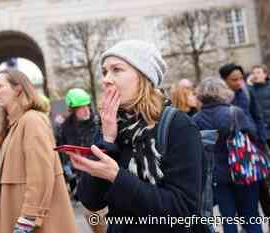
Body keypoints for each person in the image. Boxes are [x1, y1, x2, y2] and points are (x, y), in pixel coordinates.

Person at [70, 40, 203, 233]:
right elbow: (90, 200)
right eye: (104, 71)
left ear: (143, 76)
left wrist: (116, 176)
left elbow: (183, 210)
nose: (106, 79)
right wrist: (106, 140)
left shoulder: (178, 125)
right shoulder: (110, 125)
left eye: (116, 70)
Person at [0, 69, 77, 233]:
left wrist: (28, 218)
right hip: (17, 212)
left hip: (33, 221)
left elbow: (40, 173)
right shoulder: (13, 125)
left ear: (17, 89)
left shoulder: (32, 120)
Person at [193, 77, 263, 233]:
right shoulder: (234, 112)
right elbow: (253, 134)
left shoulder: (196, 119)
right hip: (243, 171)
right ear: (222, 91)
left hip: (217, 176)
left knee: (228, 220)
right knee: (251, 217)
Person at [219, 63, 270, 233]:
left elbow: (257, 116)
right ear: (224, 80)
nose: (239, 82)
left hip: (254, 146)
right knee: (241, 192)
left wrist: (260, 139)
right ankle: (247, 225)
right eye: (234, 79)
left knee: (262, 188)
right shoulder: (221, 97)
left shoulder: (248, 91)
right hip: (233, 152)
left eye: (241, 78)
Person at [57, 88, 106, 233]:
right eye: (80, 108)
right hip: (83, 181)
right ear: (72, 109)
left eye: (86, 106)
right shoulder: (66, 128)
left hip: (104, 179)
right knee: (95, 224)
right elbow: (63, 152)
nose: (85, 110)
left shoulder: (99, 121)